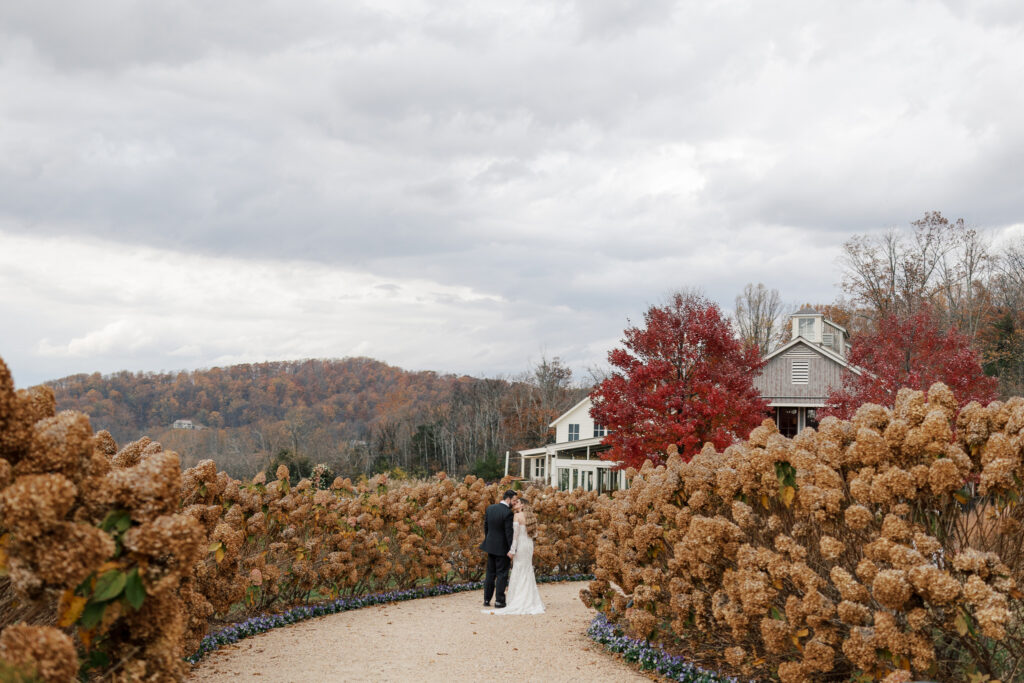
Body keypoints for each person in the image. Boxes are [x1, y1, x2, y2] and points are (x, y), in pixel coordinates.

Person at [486, 496, 544, 615]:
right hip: (529, 545)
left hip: (521, 545)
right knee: (527, 569)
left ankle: (518, 598)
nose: (515, 504)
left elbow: (515, 537)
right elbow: (534, 535)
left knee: (518, 569)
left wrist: (512, 551)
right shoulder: (531, 517)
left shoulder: (517, 516)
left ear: (522, 505)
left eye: (518, 502)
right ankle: (530, 599)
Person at [479, 489, 516, 608]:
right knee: (501, 574)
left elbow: (486, 527)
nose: (514, 503)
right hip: (502, 548)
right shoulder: (508, 513)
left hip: (490, 546)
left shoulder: (490, 508)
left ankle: (486, 599)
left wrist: (489, 540)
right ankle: (499, 601)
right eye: (514, 500)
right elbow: (508, 533)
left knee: (490, 574)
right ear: (508, 499)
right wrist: (512, 549)